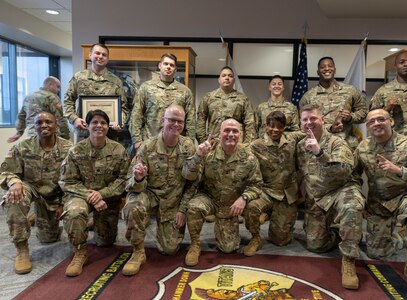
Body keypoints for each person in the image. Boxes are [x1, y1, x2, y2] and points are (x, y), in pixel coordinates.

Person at [355, 108, 407, 293]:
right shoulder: (363, 148)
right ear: (367, 126)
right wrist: (359, 198)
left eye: (380, 119)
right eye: (371, 122)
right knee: (377, 254)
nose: (376, 124)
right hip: (379, 203)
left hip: (406, 196)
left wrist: (400, 171)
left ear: (391, 121)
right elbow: (353, 177)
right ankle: (400, 236)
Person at [121, 104, 196, 276]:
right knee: (133, 205)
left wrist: (183, 209)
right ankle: (138, 252)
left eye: (180, 121)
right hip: (151, 195)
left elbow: (194, 183)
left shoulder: (188, 147)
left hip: (174, 201)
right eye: (172, 120)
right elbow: (129, 183)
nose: (176, 125)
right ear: (163, 121)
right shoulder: (147, 147)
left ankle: (160, 227)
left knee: (169, 250)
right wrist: (139, 178)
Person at [296, 104, 365, 290]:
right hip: (317, 198)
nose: (309, 123)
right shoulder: (300, 146)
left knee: (351, 208)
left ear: (323, 121)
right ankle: (341, 232)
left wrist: (320, 153)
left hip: (340, 190)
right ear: (300, 123)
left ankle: (349, 259)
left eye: (313, 119)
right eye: (305, 120)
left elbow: (344, 171)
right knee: (315, 245)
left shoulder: (336, 142)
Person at [59, 109, 129, 277]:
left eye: (103, 123)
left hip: (107, 199)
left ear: (108, 127)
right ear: (88, 126)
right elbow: (67, 181)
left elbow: (123, 180)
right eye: (94, 122)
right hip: (80, 196)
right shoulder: (76, 151)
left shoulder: (119, 150)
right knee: (75, 212)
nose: (99, 126)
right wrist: (91, 196)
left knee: (105, 242)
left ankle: (91, 223)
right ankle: (80, 252)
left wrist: (102, 194)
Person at [184, 118, 263, 266]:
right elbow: (188, 175)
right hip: (210, 198)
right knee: (195, 206)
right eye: (227, 130)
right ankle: (195, 244)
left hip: (232, 204)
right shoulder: (207, 152)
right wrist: (198, 156)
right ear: (219, 133)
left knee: (228, 248)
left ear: (240, 134)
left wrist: (244, 198)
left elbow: (257, 185)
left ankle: (256, 238)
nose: (230, 134)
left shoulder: (249, 157)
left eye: (235, 131)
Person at [0, 112, 72, 274]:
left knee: (49, 238)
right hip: (30, 189)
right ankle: (22, 248)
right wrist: (14, 182)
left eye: (48, 122)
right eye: (39, 123)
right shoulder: (22, 147)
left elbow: (74, 180)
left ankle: (38, 216)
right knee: (13, 198)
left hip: (55, 193)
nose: (44, 125)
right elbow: (4, 172)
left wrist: (63, 202)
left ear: (56, 125)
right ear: (34, 126)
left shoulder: (69, 148)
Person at [247, 111, 304, 256]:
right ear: (266, 126)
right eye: (272, 126)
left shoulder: (292, 139)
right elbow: (240, 151)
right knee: (251, 207)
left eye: (279, 126)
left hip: (286, 195)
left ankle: (270, 215)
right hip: (266, 192)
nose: (275, 130)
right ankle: (255, 238)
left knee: (280, 240)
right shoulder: (256, 145)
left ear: (284, 127)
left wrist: (333, 127)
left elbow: (311, 131)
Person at [130, 53, 196, 149]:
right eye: (166, 64)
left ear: (175, 69)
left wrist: (189, 142)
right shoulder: (146, 87)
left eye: (172, 65)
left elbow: (191, 120)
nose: (168, 67)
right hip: (150, 142)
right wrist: (137, 140)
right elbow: (136, 114)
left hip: (176, 144)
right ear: (159, 66)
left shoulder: (185, 91)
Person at [300, 57, 367, 150]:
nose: (327, 69)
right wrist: (330, 128)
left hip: (346, 144)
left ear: (335, 70)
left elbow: (364, 112)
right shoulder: (308, 97)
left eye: (330, 66)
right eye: (323, 67)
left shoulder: (350, 91)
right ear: (318, 72)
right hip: (319, 145)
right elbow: (303, 124)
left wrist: (350, 117)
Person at [63, 43, 128, 140]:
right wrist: (74, 119)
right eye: (97, 53)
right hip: (85, 132)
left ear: (107, 59)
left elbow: (123, 107)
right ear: (90, 55)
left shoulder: (116, 81)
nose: (100, 57)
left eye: (104, 55)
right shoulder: (79, 77)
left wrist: (120, 121)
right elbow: (68, 100)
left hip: (109, 134)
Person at [196, 66, 256, 144]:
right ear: (219, 79)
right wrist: (204, 141)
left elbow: (250, 123)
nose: (227, 78)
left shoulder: (243, 99)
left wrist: (247, 145)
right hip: (214, 143)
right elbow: (200, 121)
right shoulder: (208, 97)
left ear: (234, 80)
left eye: (230, 76)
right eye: (224, 75)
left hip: (236, 143)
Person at [7, 76, 70, 142]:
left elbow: (21, 116)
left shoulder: (28, 97)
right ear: (50, 84)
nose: (58, 90)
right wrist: (66, 136)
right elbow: (60, 119)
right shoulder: (52, 97)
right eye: (58, 86)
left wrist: (19, 132)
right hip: (48, 135)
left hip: (32, 135)